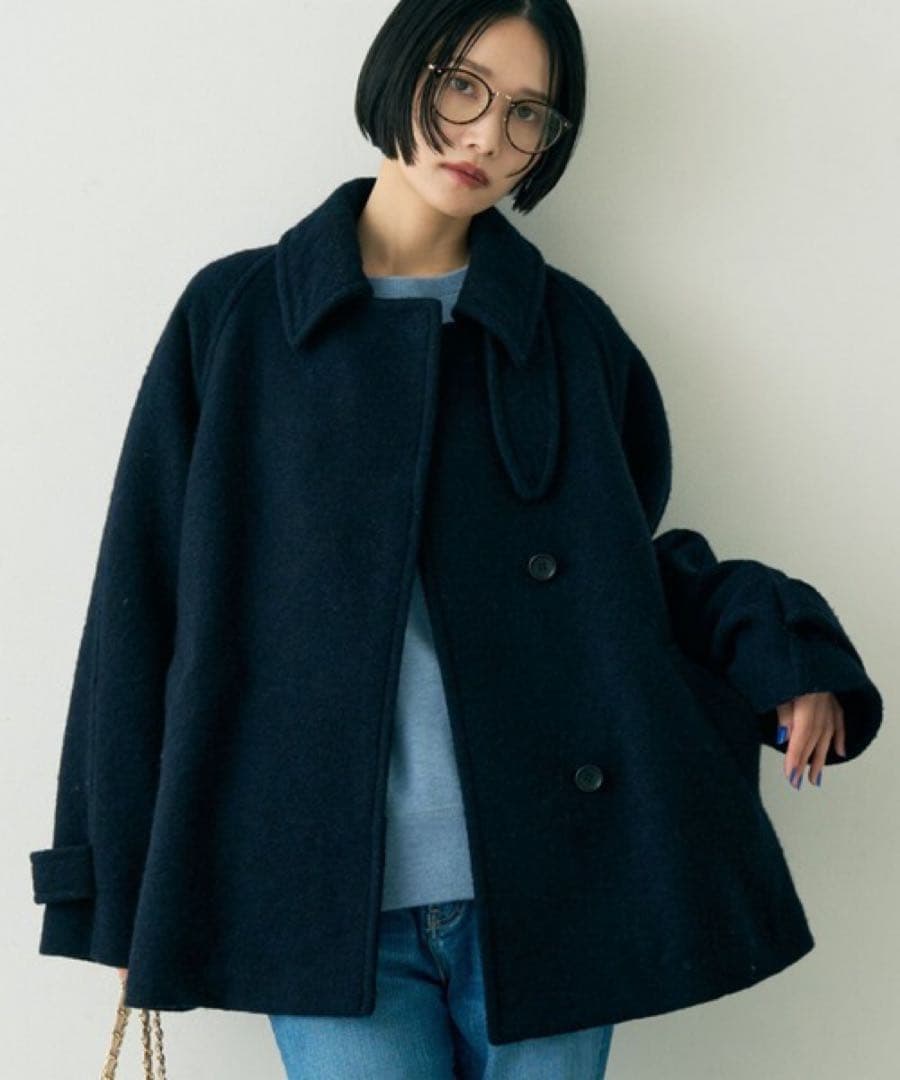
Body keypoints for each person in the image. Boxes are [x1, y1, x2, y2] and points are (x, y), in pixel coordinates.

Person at [30, 1, 882, 1078]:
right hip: (316, 899)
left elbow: (629, 578)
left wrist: (787, 652)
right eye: (462, 86)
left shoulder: (567, 334)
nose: (486, 135)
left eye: (528, 114)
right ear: (402, 71)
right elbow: (139, 604)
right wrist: (114, 884)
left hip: (554, 890)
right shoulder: (239, 319)